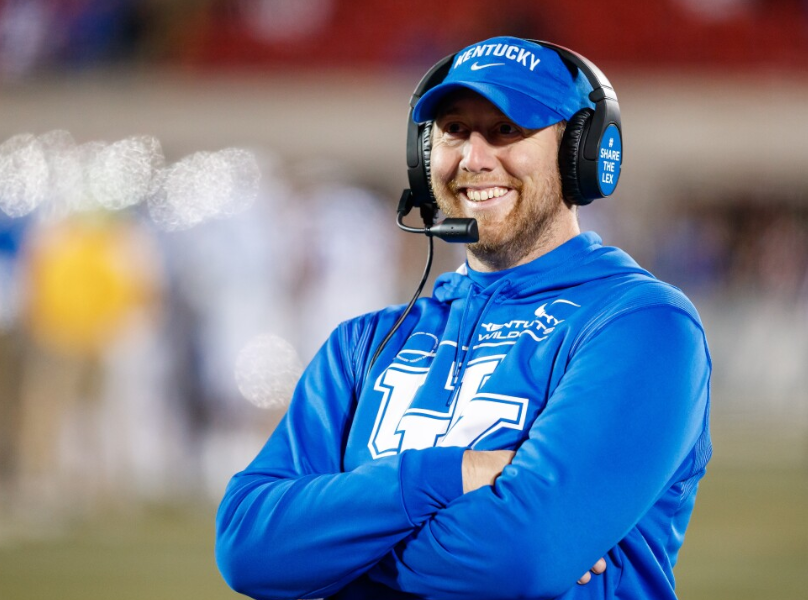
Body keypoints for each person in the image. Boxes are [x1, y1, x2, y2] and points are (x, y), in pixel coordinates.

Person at [216, 36, 712, 600]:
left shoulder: (640, 325)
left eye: (507, 129)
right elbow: (246, 544)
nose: (475, 159)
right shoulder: (364, 344)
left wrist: (333, 551)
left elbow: (517, 559)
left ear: (582, 151)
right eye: (454, 130)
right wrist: (444, 478)